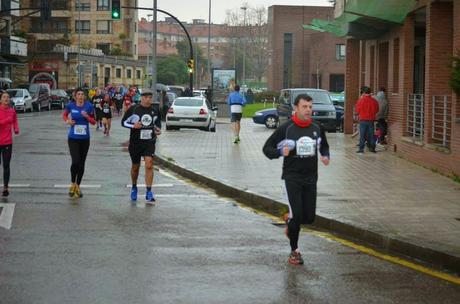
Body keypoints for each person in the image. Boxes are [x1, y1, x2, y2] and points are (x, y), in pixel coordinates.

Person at [263, 94, 330, 265]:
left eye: (310, 106)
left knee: (309, 218)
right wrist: (279, 152)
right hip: (291, 177)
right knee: (297, 215)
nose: (308, 110)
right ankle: (294, 251)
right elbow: (267, 148)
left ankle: (289, 220)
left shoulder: (317, 127)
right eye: (305, 107)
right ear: (296, 108)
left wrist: (325, 156)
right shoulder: (286, 128)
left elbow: (324, 145)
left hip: (311, 178)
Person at [121, 89, 161, 204]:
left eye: (150, 97)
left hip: (149, 141)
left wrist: (157, 130)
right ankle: (134, 187)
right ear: (141, 98)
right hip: (136, 142)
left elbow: (157, 123)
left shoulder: (155, 109)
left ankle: (149, 191)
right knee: (135, 167)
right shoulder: (134, 109)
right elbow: (123, 122)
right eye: (146, 97)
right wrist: (134, 126)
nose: (148, 100)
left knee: (149, 164)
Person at [62, 88, 96, 198]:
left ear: (84, 96)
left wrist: (87, 117)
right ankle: (72, 183)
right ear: (75, 96)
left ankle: (78, 186)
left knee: (82, 163)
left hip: (85, 139)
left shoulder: (89, 106)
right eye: (79, 94)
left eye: (82, 94)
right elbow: (64, 115)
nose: (80, 96)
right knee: (75, 161)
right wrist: (68, 121)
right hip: (73, 138)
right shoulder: (71, 106)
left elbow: (94, 122)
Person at [0, 91, 19, 197]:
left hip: (7, 141)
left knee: (6, 165)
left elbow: (15, 121)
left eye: (8, 97)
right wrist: (7, 120)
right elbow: (5, 121)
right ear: (1, 100)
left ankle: (6, 187)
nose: (6, 98)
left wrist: (16, 128)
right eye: (4, 97)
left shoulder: (12, 111)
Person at [355, 86, 379, 153]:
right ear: (369, 92)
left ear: (364, 92)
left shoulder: (361, 100)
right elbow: (377, 109)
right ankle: (372, 148)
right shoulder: (374, 101)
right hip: (371, 119)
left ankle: (361, 149)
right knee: (371, 134)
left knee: (362, 134)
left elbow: (357, 110)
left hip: (363, 119)